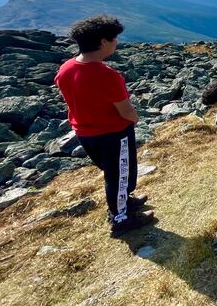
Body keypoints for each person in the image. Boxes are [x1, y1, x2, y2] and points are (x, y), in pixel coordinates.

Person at [54, 15, 153, 237]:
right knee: (118, 175)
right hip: (113, 133)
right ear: (103, 42)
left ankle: (124, 201)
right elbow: (126, 111)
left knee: (114, 173)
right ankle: (120, 218)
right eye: (114, 38)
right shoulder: (108, 76)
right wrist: (135, 119)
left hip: (85, 133)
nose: (116, 42)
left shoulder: (66, 69)